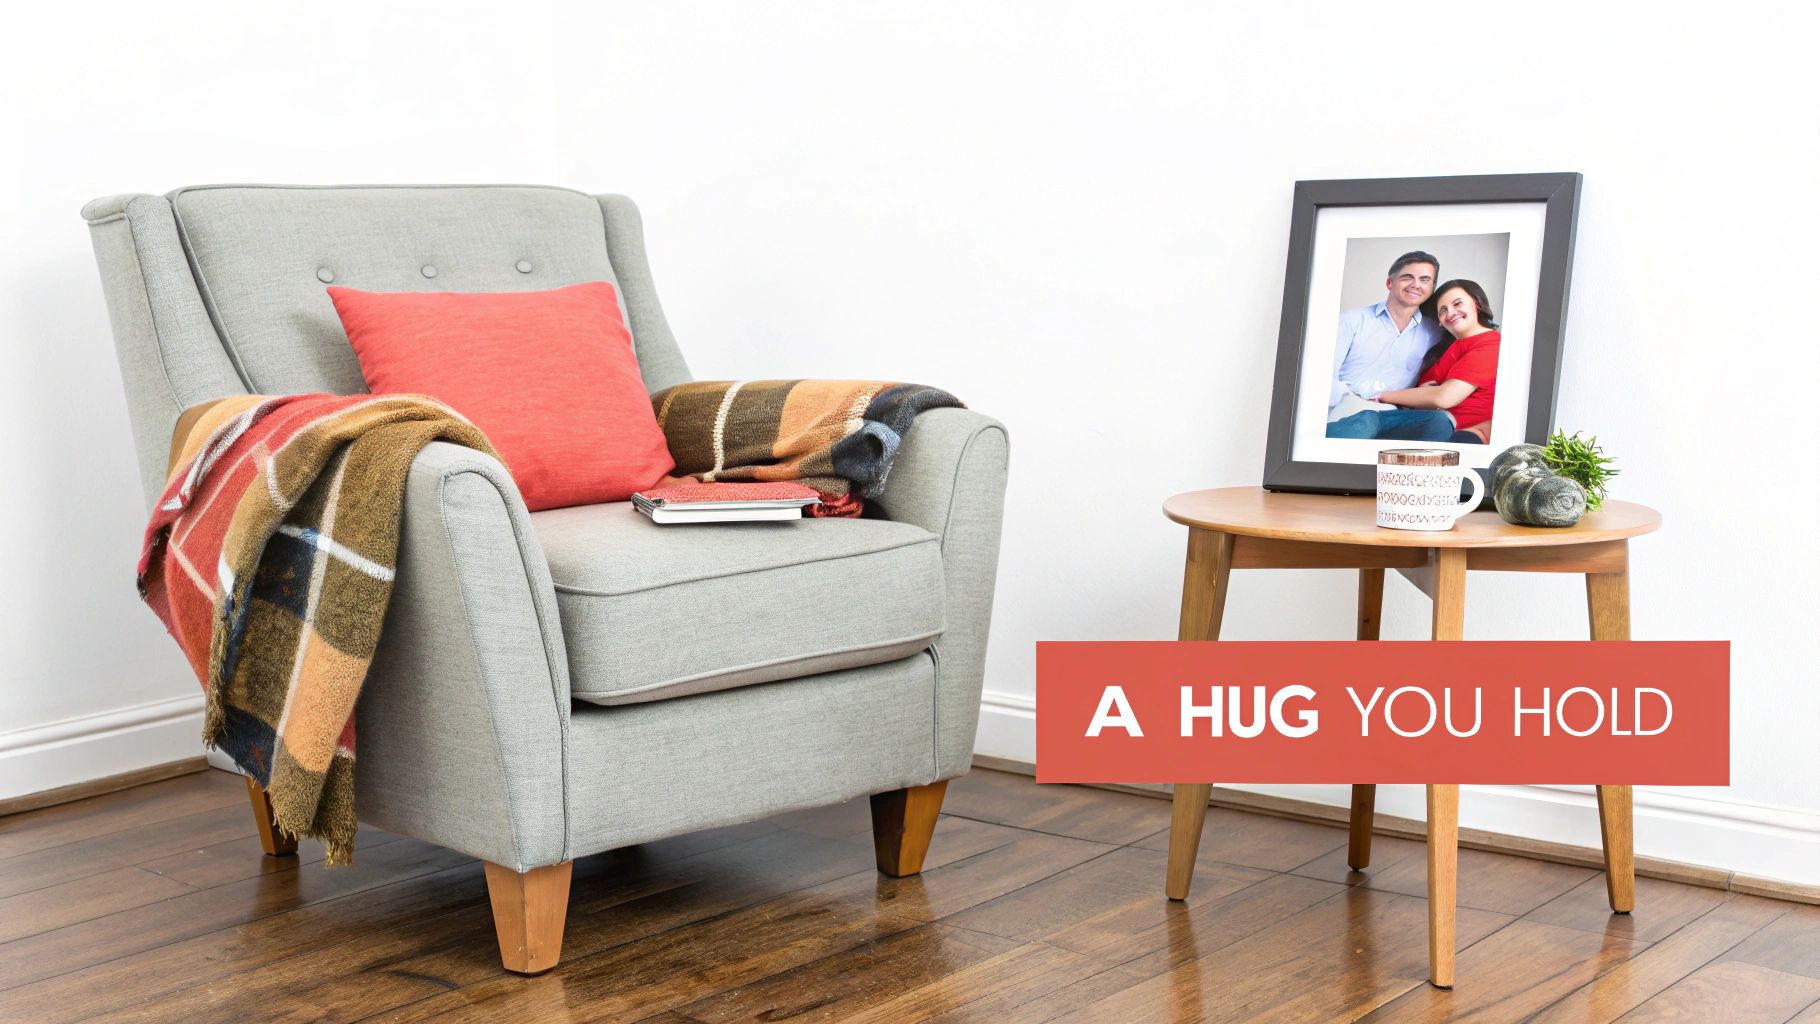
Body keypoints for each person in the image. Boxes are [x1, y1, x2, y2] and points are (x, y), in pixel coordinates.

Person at [1331, 279, 1501, 443]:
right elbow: (1428, 397)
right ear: (1440, 322)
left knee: (1371, 420)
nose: (1450, 313)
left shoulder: (1490, 343)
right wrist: (1423, 396)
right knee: (1364, 420)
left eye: (1457, 304)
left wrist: (1382, 396)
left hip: (1447, 429)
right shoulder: (1444, 347)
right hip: (1415, 421)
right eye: (1442, 310)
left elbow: (1444, 397)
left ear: (1477, 303)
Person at [1325, 251, 1450, 440]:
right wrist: (1348, 402)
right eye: (1407, 277)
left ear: (1432, 288)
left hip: (1392, 414)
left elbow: (1467, 340)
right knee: (1365, 423)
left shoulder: (1435, 332)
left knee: (1440, 421)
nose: (1416, 284)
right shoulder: (1351, 321)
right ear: (1389, 283)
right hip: (1348, 406)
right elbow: (1325, 377)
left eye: (1424, 279)